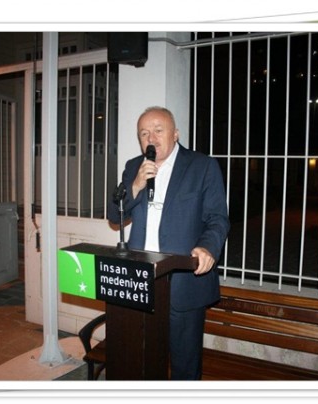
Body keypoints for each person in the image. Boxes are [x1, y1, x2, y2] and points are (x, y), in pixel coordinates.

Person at [107, 106, 230, 380]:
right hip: (141, 281)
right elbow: (115, 215)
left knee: (184, 363)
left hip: (183, 280)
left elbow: (217, 218)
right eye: (144, 133)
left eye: (158, 130)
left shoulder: (202, 166)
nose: (151, 138)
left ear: (175, 134)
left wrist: (207, 247)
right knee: (144, 356)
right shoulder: (133, 167)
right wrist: (136, 185)